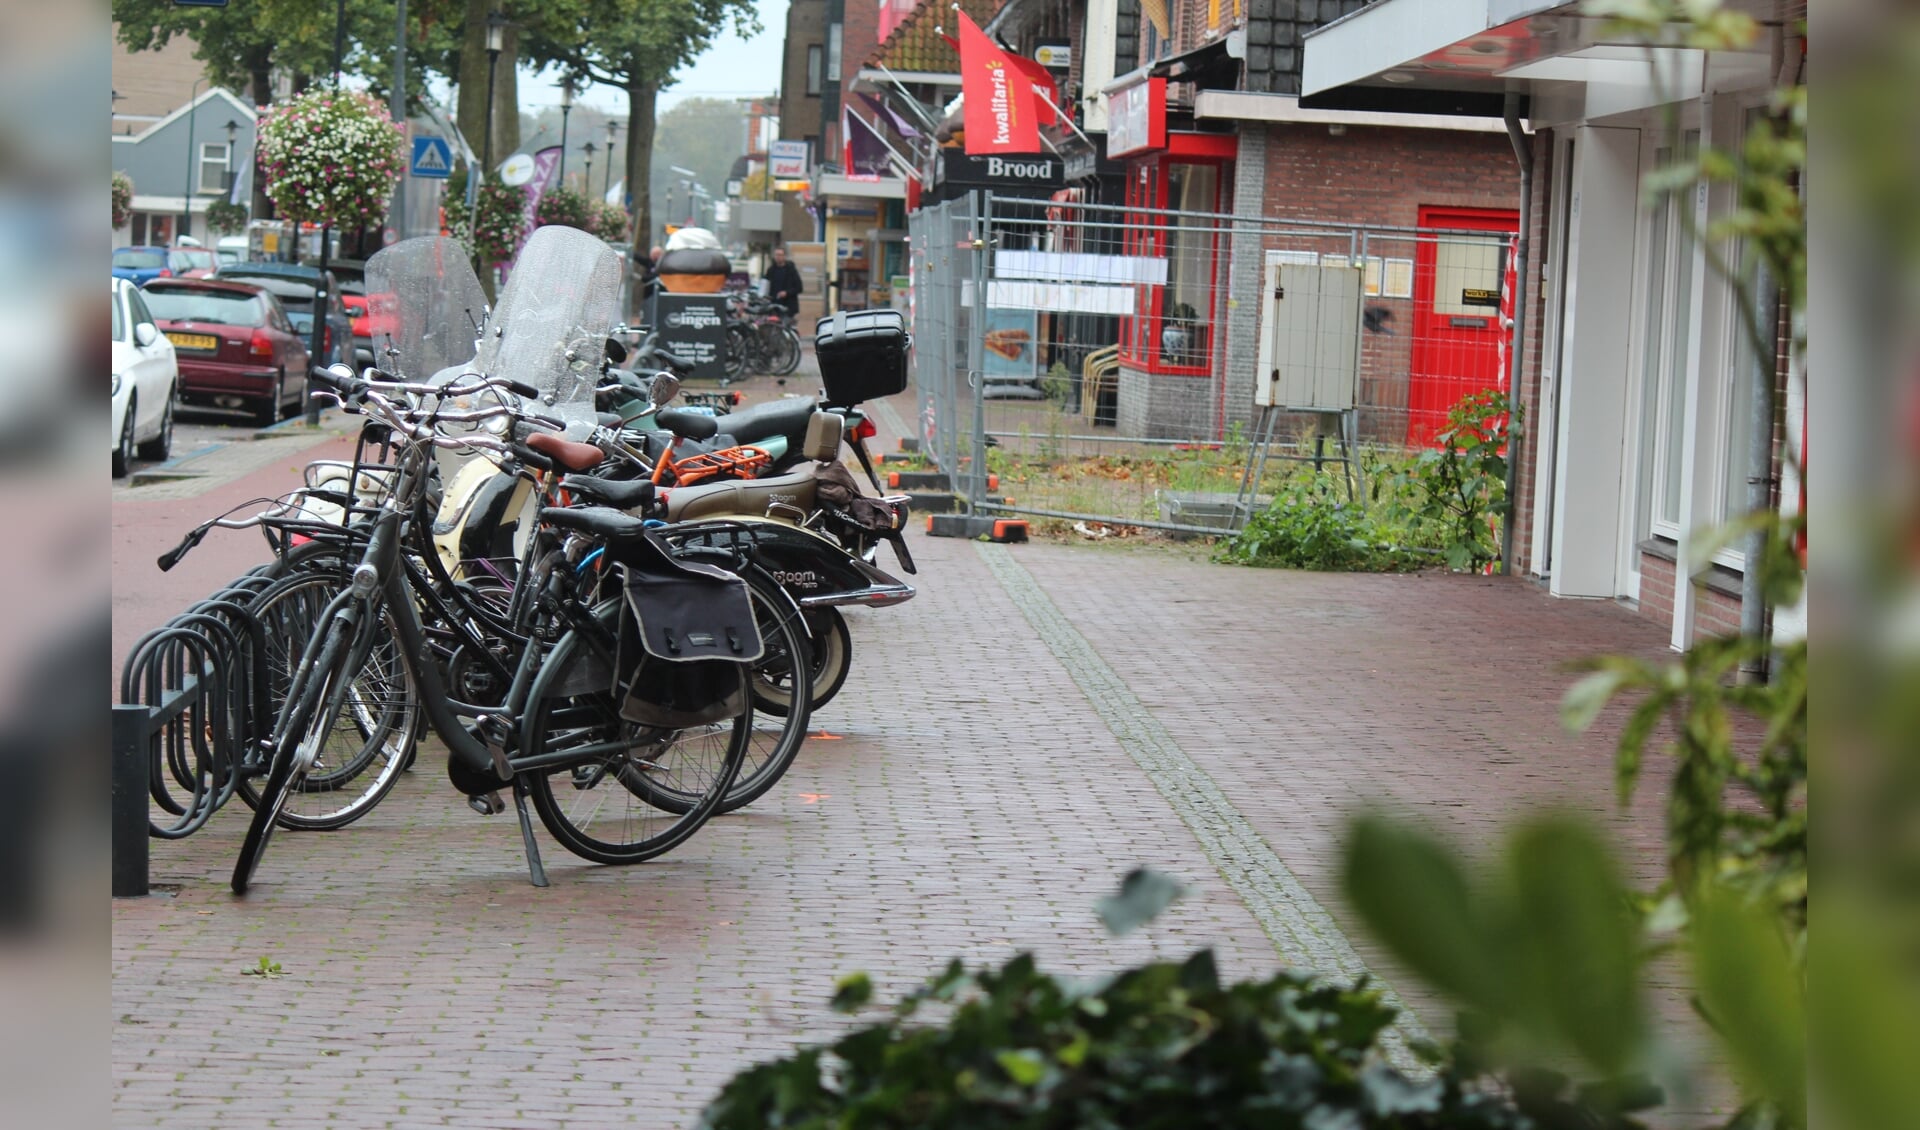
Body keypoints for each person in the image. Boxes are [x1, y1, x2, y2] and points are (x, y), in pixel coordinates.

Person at [763, 246, 802, 320]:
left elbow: (799, 287)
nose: (778, 257)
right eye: (776, 255)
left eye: (780, 255)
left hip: (788, 306)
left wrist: (787, 293)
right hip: (774, 305)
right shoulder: (771, 270)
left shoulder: (791, 270)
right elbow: (765, 284)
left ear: (784, 256)